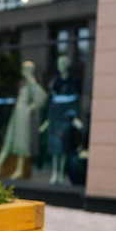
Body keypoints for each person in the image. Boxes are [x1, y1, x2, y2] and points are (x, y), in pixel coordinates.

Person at [0, 61, 47, 180]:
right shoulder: (26, 83)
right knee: (9, 140)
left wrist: (30, 108)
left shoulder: (32, 82)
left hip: (22, 114)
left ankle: (19, 170)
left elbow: (41, 98)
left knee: (21, 141)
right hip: (17, 114)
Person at [39, 54, 82, 184]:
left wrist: (75, 118)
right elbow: (51, 104)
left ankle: (61, 173)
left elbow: (75, 101)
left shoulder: (73, 82)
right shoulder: (54, 82)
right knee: (54, 148)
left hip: (66, 119)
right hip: (55, 119)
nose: (61, 65)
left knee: (63, 148)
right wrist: (46, 122)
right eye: (59, 62)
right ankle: (54, 173)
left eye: (63, 62)